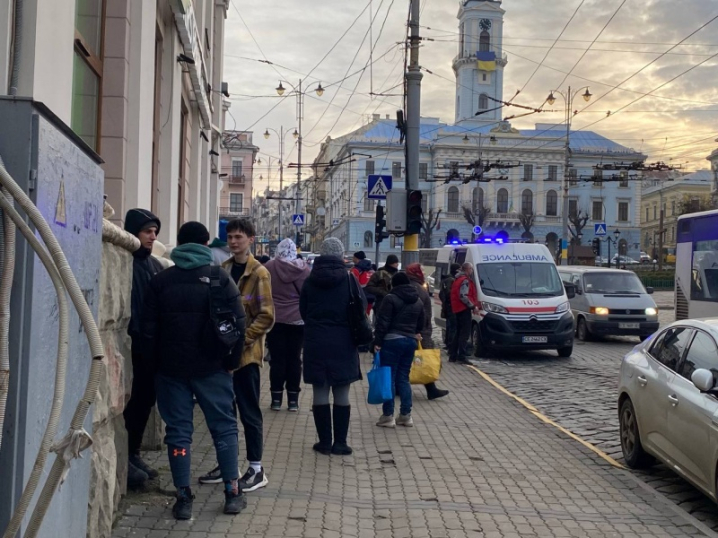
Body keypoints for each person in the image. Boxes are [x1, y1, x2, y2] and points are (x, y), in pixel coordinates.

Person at [142, 221, 246, 519]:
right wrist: (231, 363)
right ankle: (232, 493)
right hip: (213, 367)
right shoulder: (220, 278)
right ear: (204, 244)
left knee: (178, 433)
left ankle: (184, 498)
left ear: (179, 243)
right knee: (223, 427)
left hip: (171, 370)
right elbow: (238, 325)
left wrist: (155, 366)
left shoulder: (160, 281)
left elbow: (147, 331)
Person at [199, 218, 275, 492]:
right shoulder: (223, 269)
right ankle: (227, 464)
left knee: (249, 412)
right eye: (230, 237)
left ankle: (256, 468)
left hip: (245, 357)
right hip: (222, 356)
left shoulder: (259, 273)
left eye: (239, 237)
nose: (233, 242)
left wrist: (240, 340)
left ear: (251, 239)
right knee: (223, 413)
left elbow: (266, 316)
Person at [300, 238, 364, 456]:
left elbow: (303, 311)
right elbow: (361, 307)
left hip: (316, 341)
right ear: (341, 255)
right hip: (344, 341)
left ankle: (324, 442)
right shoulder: (349, 280)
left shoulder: (310, 280)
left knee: (320, 390)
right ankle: (341, 443)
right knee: (342, 391)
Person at [122, 208, 164, 489]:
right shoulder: (126, 261)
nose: (152, 237)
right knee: (132, 401)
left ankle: (134, 453)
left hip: (150, 346)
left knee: (145, 401)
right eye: (147, 231)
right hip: (133, 345)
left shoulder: (152, 264)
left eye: (154, 232)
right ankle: (125, 458)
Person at [264, 239, 310, 411]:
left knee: (277, 360)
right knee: (294, 359)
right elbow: (307, 295)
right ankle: (293, 401)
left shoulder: (268, 266)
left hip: (275, 319)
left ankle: (276, 399)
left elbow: (263, 293)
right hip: (298, 320)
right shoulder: (304, 269)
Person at [374, 272, 424, 428]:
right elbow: (421, 323)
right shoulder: (418, 300)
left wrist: (377, 341)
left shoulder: (390, 298)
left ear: (394, 284)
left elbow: (383, 322)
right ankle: (405, 415)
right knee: (403, 378)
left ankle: (388, 416)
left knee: (389, 377)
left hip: (391, 341)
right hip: (410, 341)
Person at [405, 263, 449, 401]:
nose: (423, 273)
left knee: (414, 359)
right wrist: (419, 330)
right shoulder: (417, 288)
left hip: (416, 329)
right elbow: (418, 311)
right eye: (421, 270)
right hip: (419, 331)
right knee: (423, 359)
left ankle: (430, 388)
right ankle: (430, 389)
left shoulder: (413, 285)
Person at [449, 262, 480, 364]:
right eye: (471, 269)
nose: (472, 271)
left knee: (458, 333)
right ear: (467, 269)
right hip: (463, 309)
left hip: (457, 309)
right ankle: (461, 356)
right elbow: (463, 296)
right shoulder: (465, 280)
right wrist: (472, 306)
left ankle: (453, 355)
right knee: (464, 333)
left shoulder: (457, 279)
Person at [439, 263, 461, 351]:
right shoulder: (451, 280)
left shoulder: (446, 279)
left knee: (449, 325)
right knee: (453, 326)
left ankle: (448, 343)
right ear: (456, 270)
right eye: (459, 269)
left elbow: (441, 294)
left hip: (447, 306)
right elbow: (449, 294)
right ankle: (451, 345)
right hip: (451, 306)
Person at [350, 251, 374, 315]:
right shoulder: (371, 268)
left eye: (353, 257)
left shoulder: (356, 270)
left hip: (360, 297)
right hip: (371, 296)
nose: (352, 259)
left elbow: (353, 284)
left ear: (356, 258)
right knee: (367, 314)